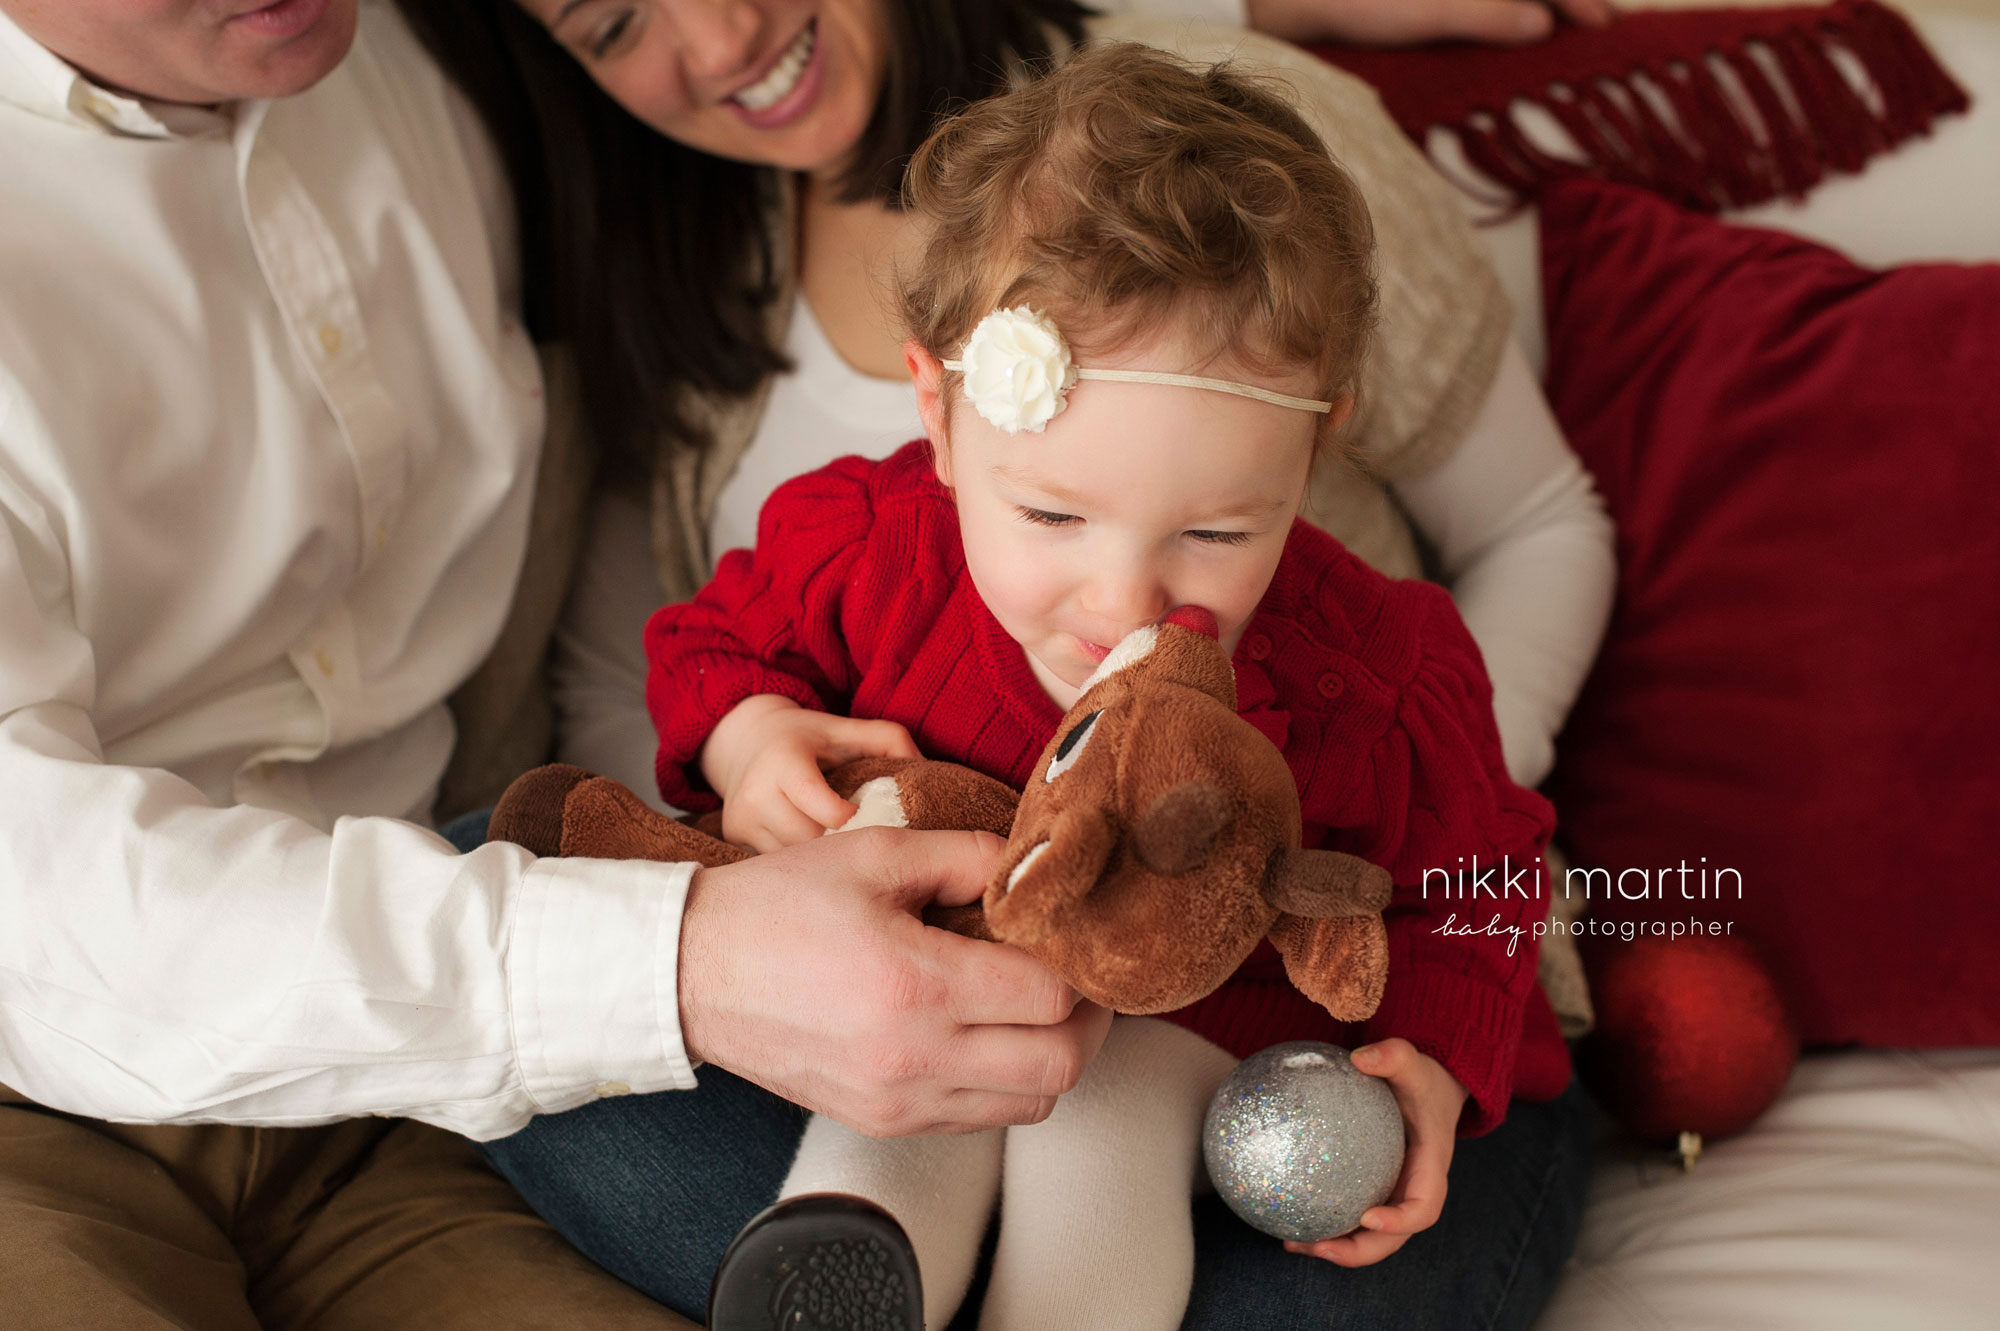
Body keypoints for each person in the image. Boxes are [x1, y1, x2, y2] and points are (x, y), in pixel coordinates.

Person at [396, 1, 1618, 1326]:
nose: (1124, 595)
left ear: (1315, 454)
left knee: (1104, 1100)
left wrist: (1432, 1063)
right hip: (911, 1016)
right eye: (1050, 517)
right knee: (512, 921)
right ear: (937, 413)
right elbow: (710, 639)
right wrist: (750, 737)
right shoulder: (864, 539)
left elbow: (1485, 878)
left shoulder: (1379, 667)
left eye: (1216, 532)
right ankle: (853, 1252)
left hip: (1223, 1059)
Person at [0, 2, 1112, 1325]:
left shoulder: (434, 42)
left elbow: (764, 66)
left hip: (429, 1100)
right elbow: (42, 900)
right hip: (50, 1098)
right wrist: (677, 964)